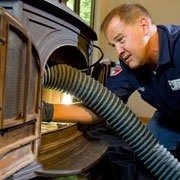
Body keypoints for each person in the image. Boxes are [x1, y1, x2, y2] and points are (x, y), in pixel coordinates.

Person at [43, 2, 180, 179]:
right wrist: (46, 111)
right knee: (148, 160)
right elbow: (104, 108)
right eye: (113, 45)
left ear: (144, 26)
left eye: (121, 39)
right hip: (169, 117)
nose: (119, 52)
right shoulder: (128, 66)